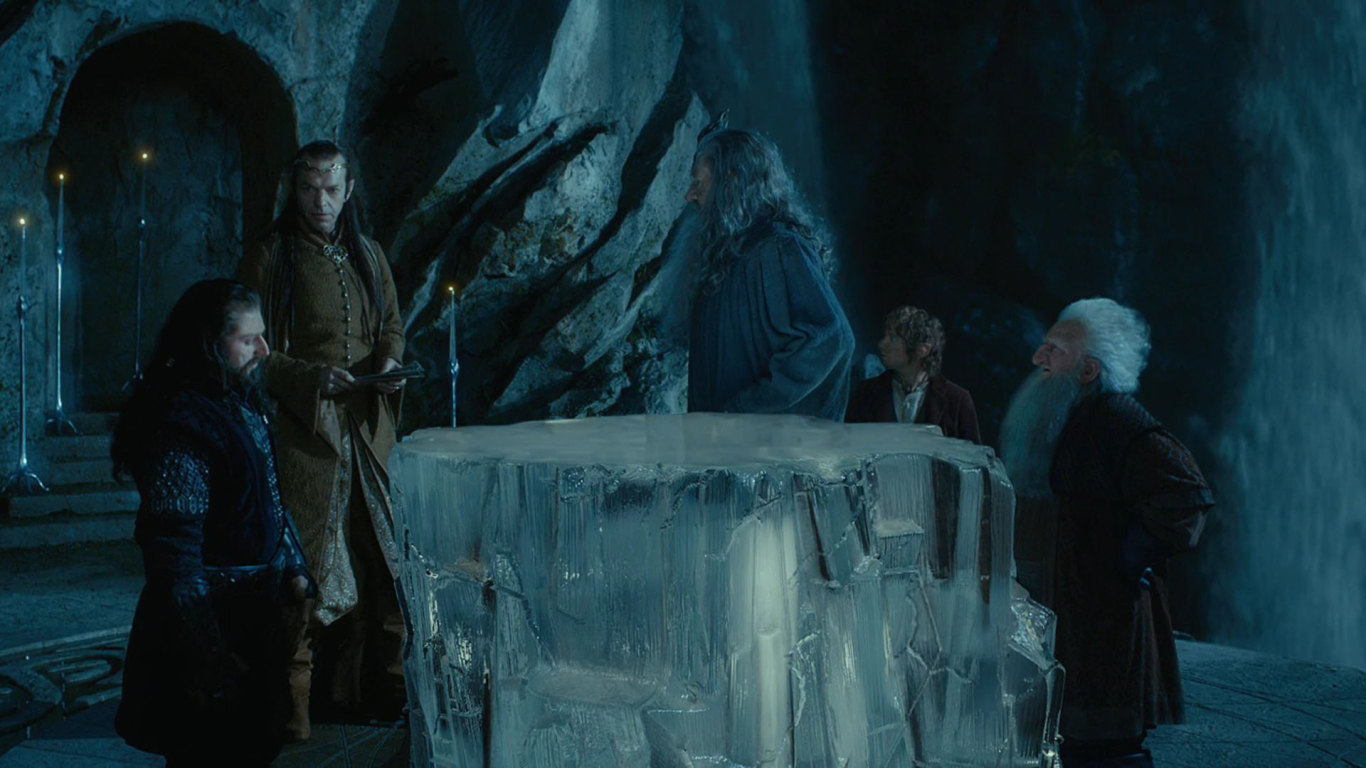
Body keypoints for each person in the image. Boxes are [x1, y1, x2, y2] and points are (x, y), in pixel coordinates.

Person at [237, 140, 407, 738]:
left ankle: (382, 693)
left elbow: (391, 326)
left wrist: (388, 362)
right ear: (294, 189)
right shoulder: (270, 256)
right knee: (307, 572)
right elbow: (250, 351)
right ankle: (295, 709)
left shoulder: (369, 254)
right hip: (306, 440)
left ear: (348, 190)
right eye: (309, 189)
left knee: (384, 563)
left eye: (331, 189)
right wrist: (310, 377)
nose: (320, 202)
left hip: (370, 434)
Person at [999, 298, 1212, 768]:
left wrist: (1126, 558)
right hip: (1062, 611)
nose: (1038, 357)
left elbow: (1186, 497)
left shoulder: (1118, 420)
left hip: (1103, 623)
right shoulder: (1062, 415)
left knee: (1106, 747)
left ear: (1089, 370)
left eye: (1055, 349)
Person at [112, 279, 315, 767]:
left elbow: (269, 499)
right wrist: (209, 659)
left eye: (262, 336)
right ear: (209, 342)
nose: (264, 350)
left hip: (253, 621)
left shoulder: (238, 401)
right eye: (248, 339)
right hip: (209, 627)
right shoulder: (182, 424)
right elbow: (175, 557)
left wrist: (294, 567)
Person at [683, 125, 855, 420]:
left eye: (700, 183)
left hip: (755, 441)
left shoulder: (777, 248)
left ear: (732, 180)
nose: (690, 195)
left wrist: (745, 408)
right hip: (721, 439)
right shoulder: (729, 253)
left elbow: (832, 340)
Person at [845, 305, 981, 442]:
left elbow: (974, 453)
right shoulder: (866, 393)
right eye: (885, 336)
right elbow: (849, 447)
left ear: (922, 350)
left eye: (893, 338)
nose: (882, 344)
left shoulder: (957, 400)